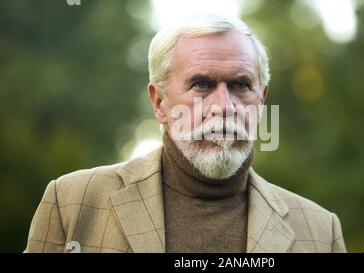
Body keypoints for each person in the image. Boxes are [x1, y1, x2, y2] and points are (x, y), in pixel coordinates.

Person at [25, 16, 346, 253]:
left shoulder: (319, 231)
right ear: (159, 101)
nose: (224, 106)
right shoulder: (72, 204)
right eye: (202, 84)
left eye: (240, 85)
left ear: (261, 100)